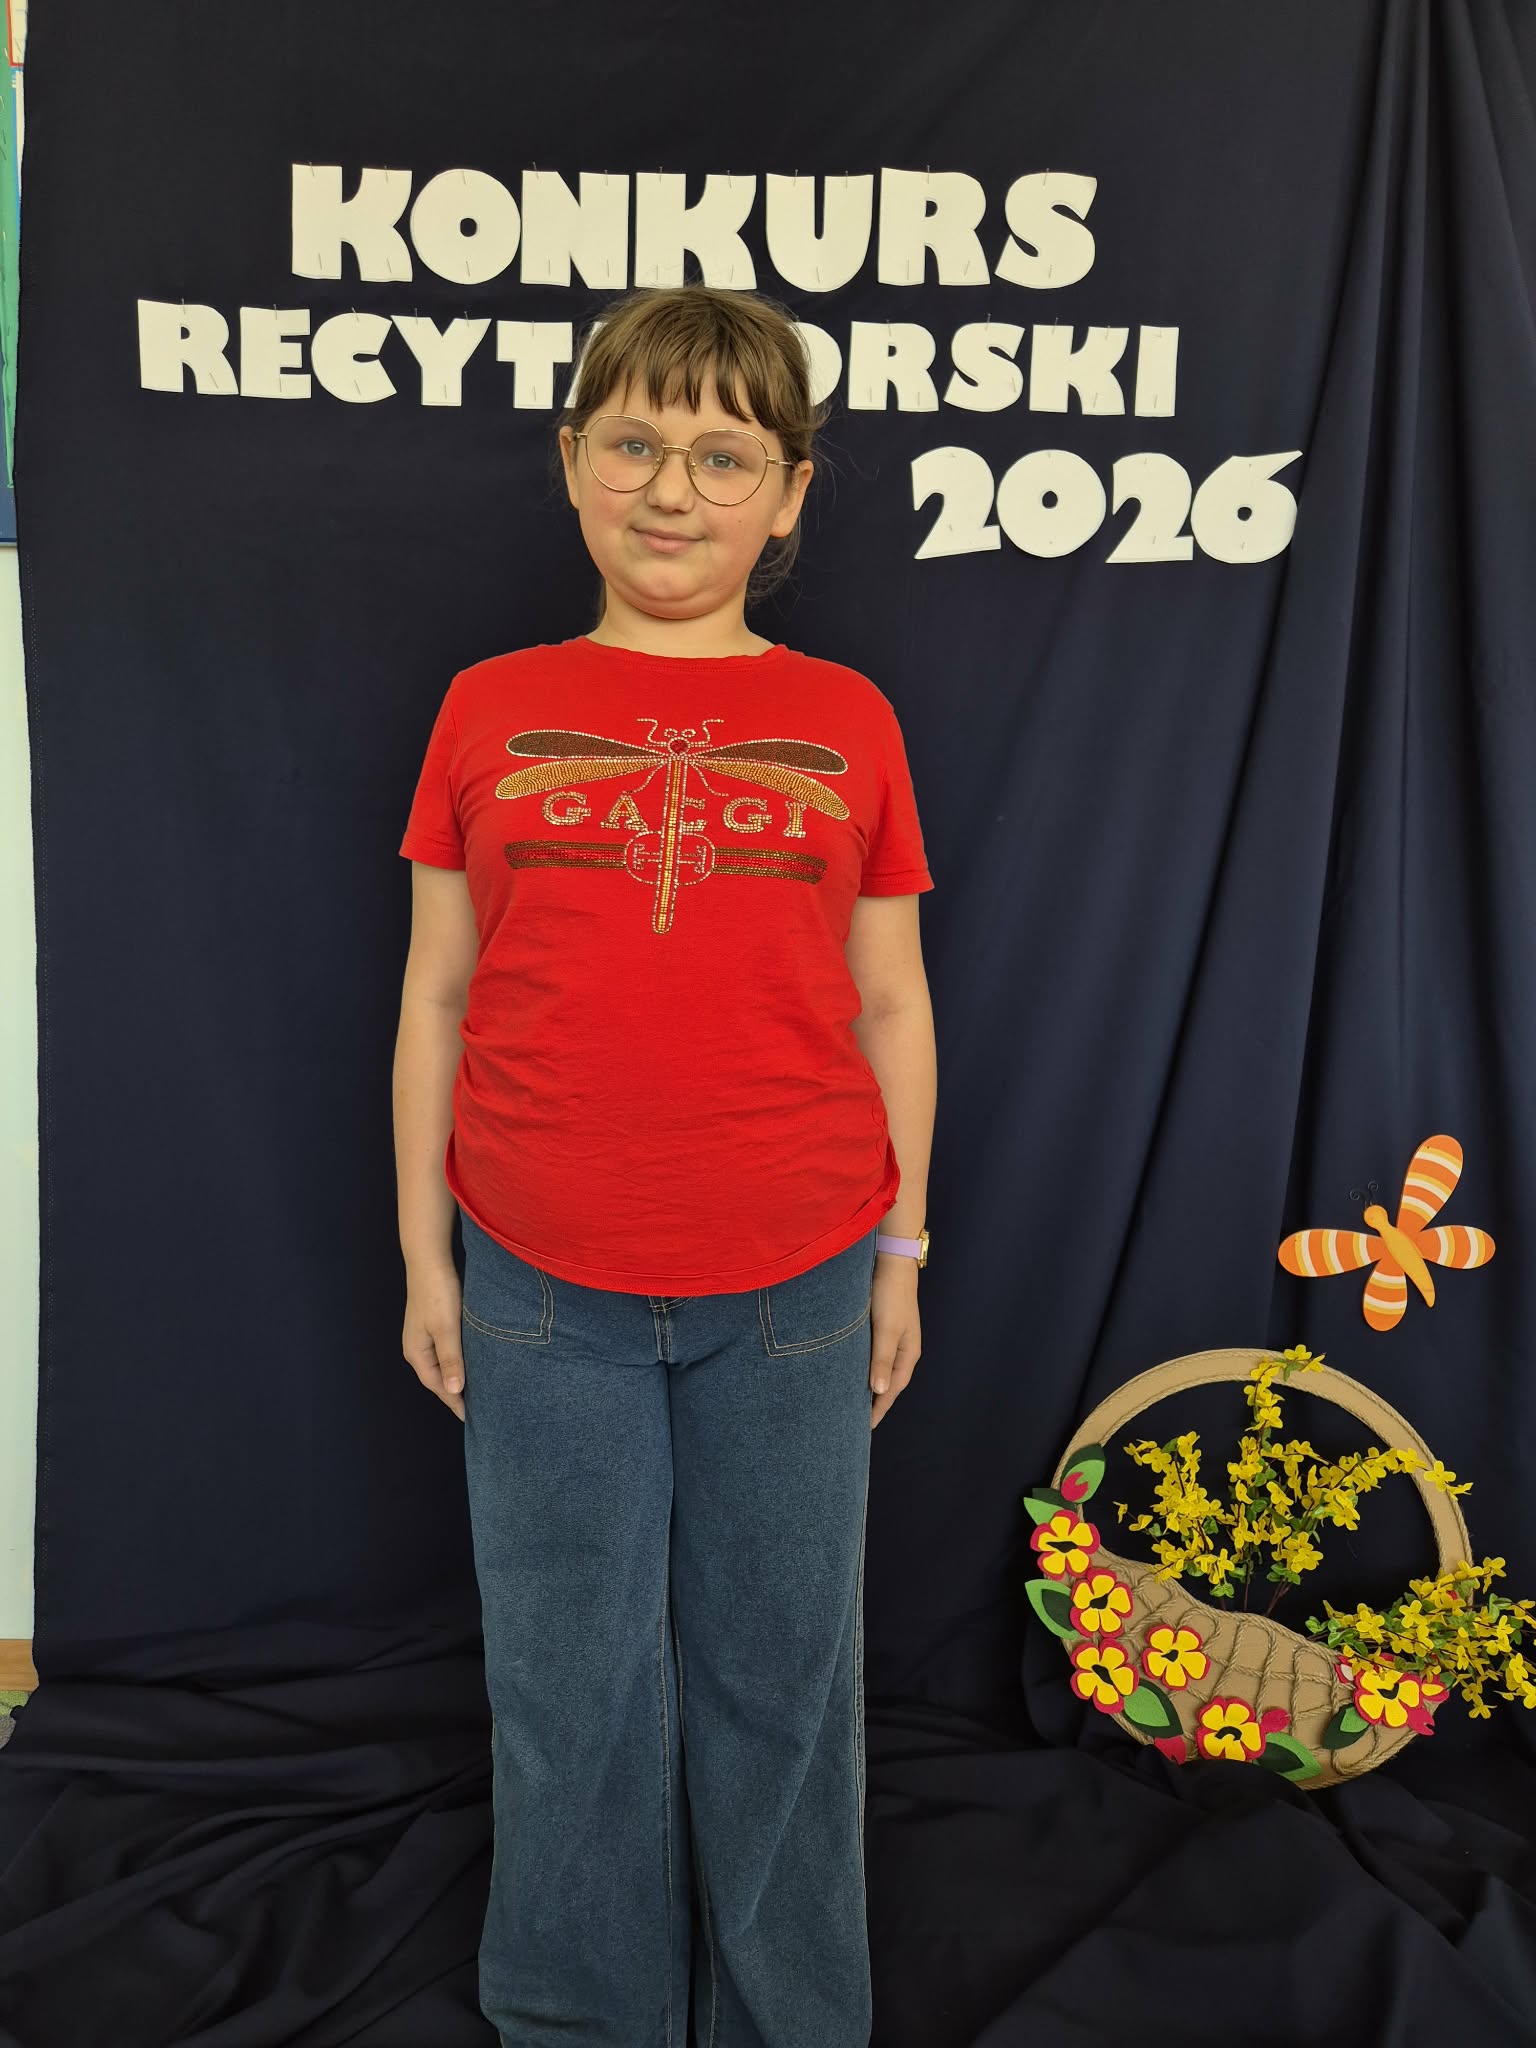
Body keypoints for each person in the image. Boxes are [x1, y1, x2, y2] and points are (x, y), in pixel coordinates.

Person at [391, 282, 937, 2048]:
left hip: (798, 1276)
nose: (673, 490)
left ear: (788, 496)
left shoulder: (849, 717)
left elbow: (892, 1000)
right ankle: (578, 2017)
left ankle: (793, 2018)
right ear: (572, 464)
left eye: (724, 456)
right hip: (537, 1273)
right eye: (633, 444)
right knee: (567, 1682)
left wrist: (903, 1252)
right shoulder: (489, 706)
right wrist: (425, 1257)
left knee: (784, 1682)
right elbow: (438, 992)